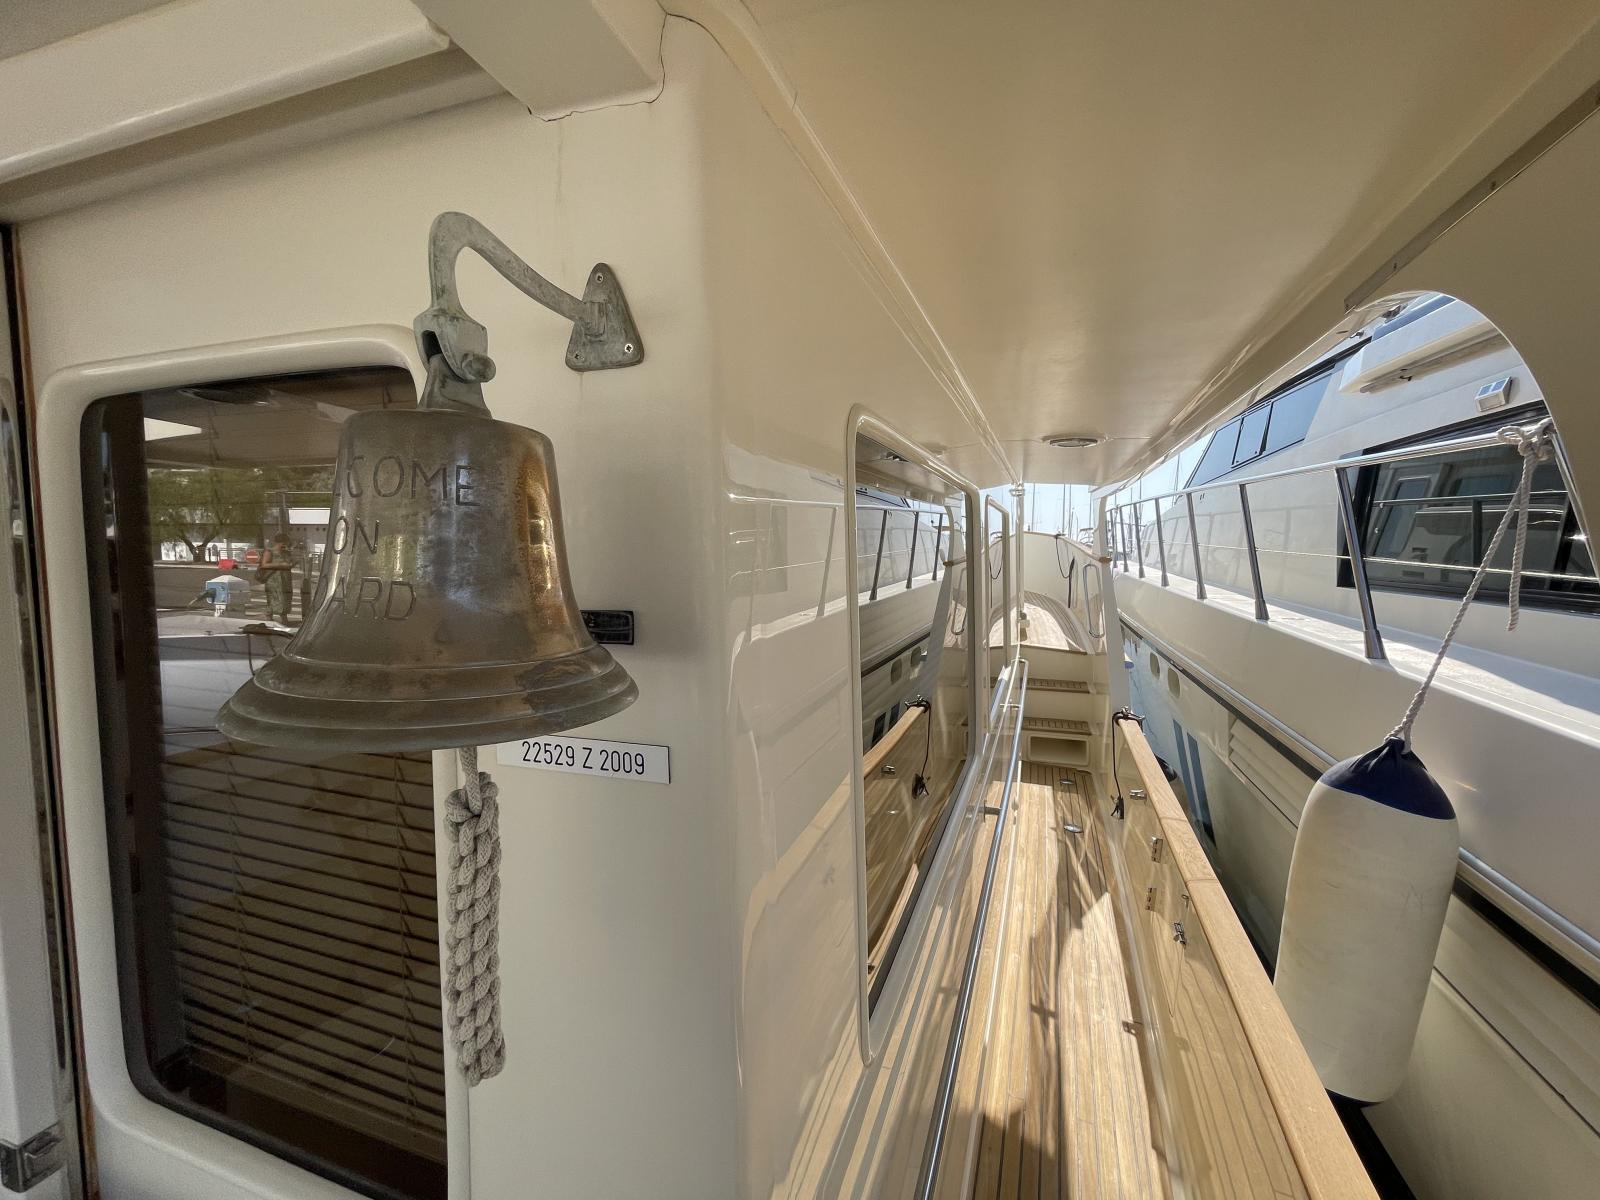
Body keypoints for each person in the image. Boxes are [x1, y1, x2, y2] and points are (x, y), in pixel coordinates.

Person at [258, 533, 294, 623]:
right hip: (273, 580)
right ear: (281, 542)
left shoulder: (286, 552)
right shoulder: (269, 552)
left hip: (285, 579)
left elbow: (290, 563)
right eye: (285, 542)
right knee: (273, 599)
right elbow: (264, 565)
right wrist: (280, 565)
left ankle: (284, 618)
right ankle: (269, 618)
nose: (286, 545)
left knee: (285, 598)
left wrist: (291, 563)